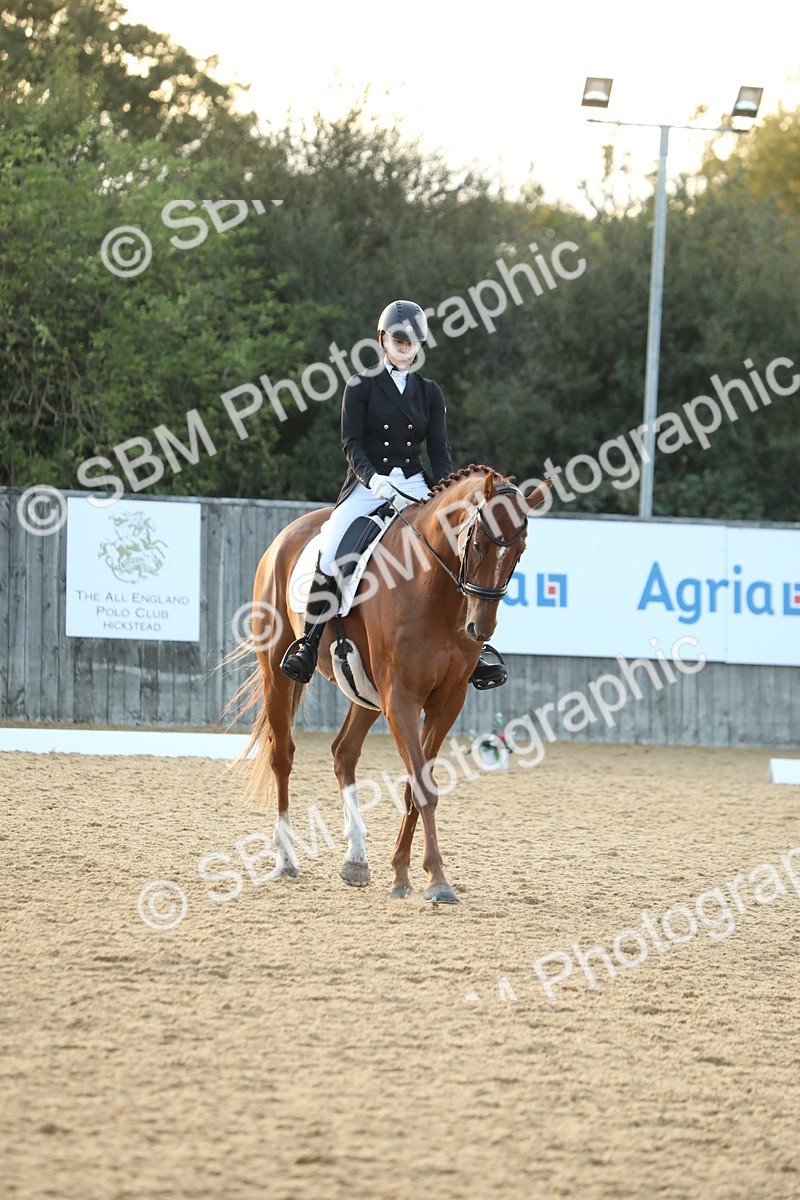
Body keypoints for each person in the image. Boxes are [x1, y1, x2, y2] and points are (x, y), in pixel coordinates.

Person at [280, 299, 507, 689]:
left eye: (412, 341)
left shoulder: (430, 393)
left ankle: (477, 644)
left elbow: (438, 451)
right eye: (398, 339)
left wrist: (445, 495)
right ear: (383, 339)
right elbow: (351, 443)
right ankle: (309, 639)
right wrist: (374, 480)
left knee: (462, 544)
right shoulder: (362, 385)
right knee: (334, 544)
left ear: (419, 345)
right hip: (369, 485)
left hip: (417, 485)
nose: (405, 346)